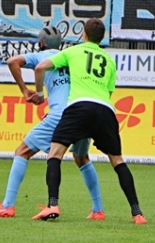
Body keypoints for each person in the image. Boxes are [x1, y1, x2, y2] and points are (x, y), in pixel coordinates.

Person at [0, 27, 105, 219]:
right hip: (81, 113)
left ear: (40, 44)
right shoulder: (70, 56)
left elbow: (12, 62)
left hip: (60, 115)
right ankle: (98, 210)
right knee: (82, 157)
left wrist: (25, 90)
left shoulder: (42, 57)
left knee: (22, 151)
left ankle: (7, 205)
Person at [31, 18, 146, 224]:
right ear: (101, 38)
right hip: (104, 109)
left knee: (54, 154)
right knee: (117, 161)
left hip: (78, 107)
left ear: (83, 34)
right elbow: (108, 91)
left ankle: (53, 204)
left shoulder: (73, 51)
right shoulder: (109, 60)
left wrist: (40, 92)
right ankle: (137, 212)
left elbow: (40, 67)